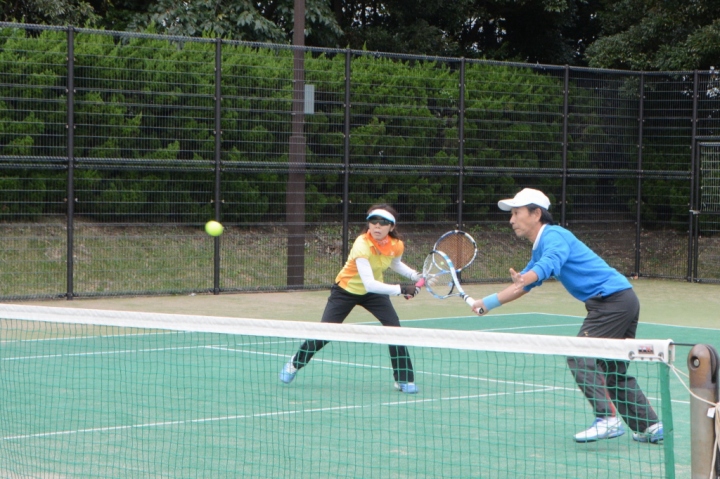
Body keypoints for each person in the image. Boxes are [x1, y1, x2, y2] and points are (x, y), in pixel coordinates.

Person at [471, 188, 664, 444]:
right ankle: (651, 426)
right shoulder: (541, 246)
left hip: (611, 301)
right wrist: (486, 304)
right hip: (622, 300)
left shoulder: (554, 236)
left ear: (536, 214)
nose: (511, 220)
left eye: (517, 213)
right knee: (611, 370)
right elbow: (523, 284)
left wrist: (526, 278)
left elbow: (547, 264)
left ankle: (607, 419)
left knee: (579, 353)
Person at [279, 204, 423, 394]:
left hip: (374, 295)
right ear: (368, 224)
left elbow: (395, 263)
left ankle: (403, 379)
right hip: (346, 290)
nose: (377, 226)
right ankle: (294, 364)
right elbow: (369, 284)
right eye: (373, 221)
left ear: (391, 227)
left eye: (383, 222)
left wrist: (415, 276)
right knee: (325, 333)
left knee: (394, 331)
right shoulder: (362, 244)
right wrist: (402, 289)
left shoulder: (396, 245)